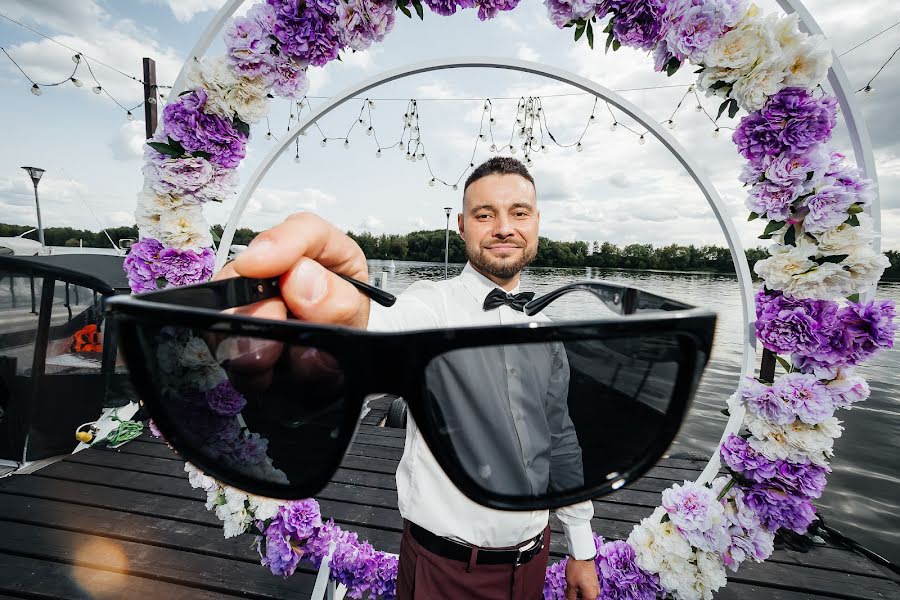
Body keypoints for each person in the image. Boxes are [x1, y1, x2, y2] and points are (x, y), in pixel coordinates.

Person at [224, 157, 600, 600]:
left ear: (536, 221)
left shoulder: (549, 332)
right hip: (445, 569)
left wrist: (582, 547)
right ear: (462, 225)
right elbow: (380, 337)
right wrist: (342, 322)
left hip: (534, 560)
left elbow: (560, 438)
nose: (503, 227)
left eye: (518, 212)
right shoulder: (428, 307)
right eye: (484, 214)